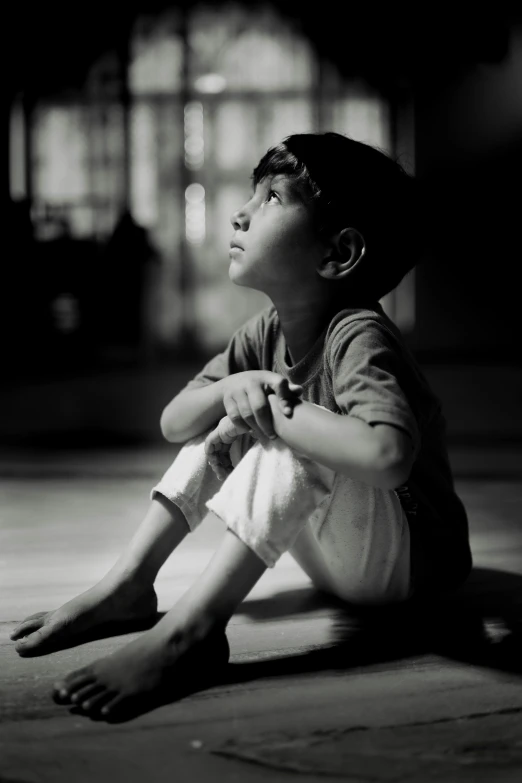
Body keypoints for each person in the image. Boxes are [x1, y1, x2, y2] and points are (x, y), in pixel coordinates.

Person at [10, 132, 472, 721]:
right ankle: (130, 583)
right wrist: (232, 390)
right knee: (230, 417)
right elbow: (174, 423)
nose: (242, 211)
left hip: (412, 573)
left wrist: (277, 413)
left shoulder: (358, 334)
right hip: (344, 565)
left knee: (282, 431)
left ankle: (193, 632)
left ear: (339, 253)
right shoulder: (266, 331)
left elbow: (388, 456)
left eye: (273, 198)